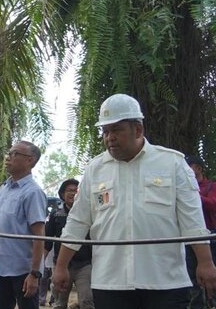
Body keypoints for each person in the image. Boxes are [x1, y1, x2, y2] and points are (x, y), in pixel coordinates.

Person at [52, 93, 216, 309]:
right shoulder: (95, 169)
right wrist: (61, 265)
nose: (109, 137)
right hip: (110, 282)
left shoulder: (172, 163)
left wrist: (205, 262)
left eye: (116, 130)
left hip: (164, 282)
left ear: (138, 129)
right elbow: (78, 221)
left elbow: (192, 219)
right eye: (105, 131)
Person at [0, 140, 47, 309]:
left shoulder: (33, 193)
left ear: (30, 160)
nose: (8, 157)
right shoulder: (4, 189)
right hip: (1, 269)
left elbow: (39, 236)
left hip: (23, 272)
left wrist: (34, 274)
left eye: (14, 154)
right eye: (8, 153)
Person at [45, 179, 93, 309]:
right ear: (62, 194)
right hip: (61, 266)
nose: (72, 193)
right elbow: (47, 241)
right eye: (69, 191)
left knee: (87, 301)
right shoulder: (55, 215)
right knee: (59, 303)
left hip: (84, 265)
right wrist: (36, 267)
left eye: (76, 191)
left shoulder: (90, 214)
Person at [185, 155, 216, 308]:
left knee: (212, 272)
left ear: (197, 168)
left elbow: (213, 204)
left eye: (189, 166)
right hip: (189, 238)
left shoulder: (211, 187)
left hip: (211, 236)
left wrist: (192, 195)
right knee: (192, 276)